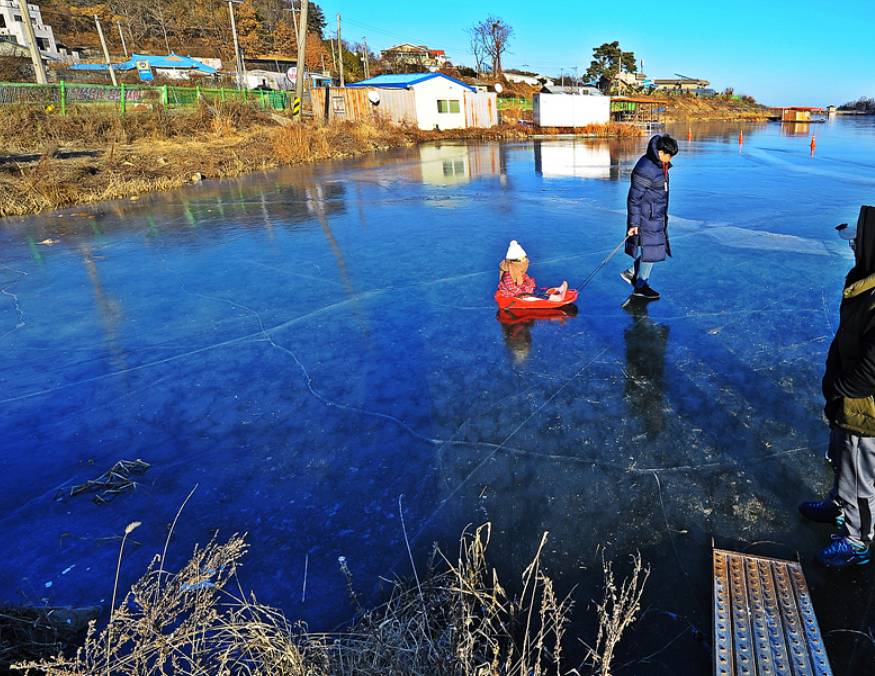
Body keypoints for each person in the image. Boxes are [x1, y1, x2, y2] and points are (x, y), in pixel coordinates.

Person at [800, 205, 875, 568]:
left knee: (861, 475)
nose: (853, 247)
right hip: (847, 402)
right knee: (842, 458)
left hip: (866, 410)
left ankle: (858, 541)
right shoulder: (864, 280)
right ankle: (838, 504)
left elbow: (872, 370)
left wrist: (842, 387)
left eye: (858, 242)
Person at [621, 134, 679, 300]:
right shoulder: (647, 168)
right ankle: (640, 285)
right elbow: (634, 198)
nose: (669, 159)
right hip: (647, 217)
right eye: (667, 155)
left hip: (655, 215)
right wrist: (633, 223)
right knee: (653, 249)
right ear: (660, 151)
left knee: (654, 248)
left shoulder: (659, 165)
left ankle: (632, 273)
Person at [497, 240, 568, 302]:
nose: (525, 261)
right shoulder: (508, 275)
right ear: (514, 262)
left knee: (538, 290)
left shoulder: (517, 271)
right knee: (537, 297)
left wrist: (530, 284)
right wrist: (525, 292)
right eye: (522, 259)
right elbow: (512, 288)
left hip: (524, 289)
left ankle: (558, 290)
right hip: (518, 295)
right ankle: (556, 298)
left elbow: (525, 277)